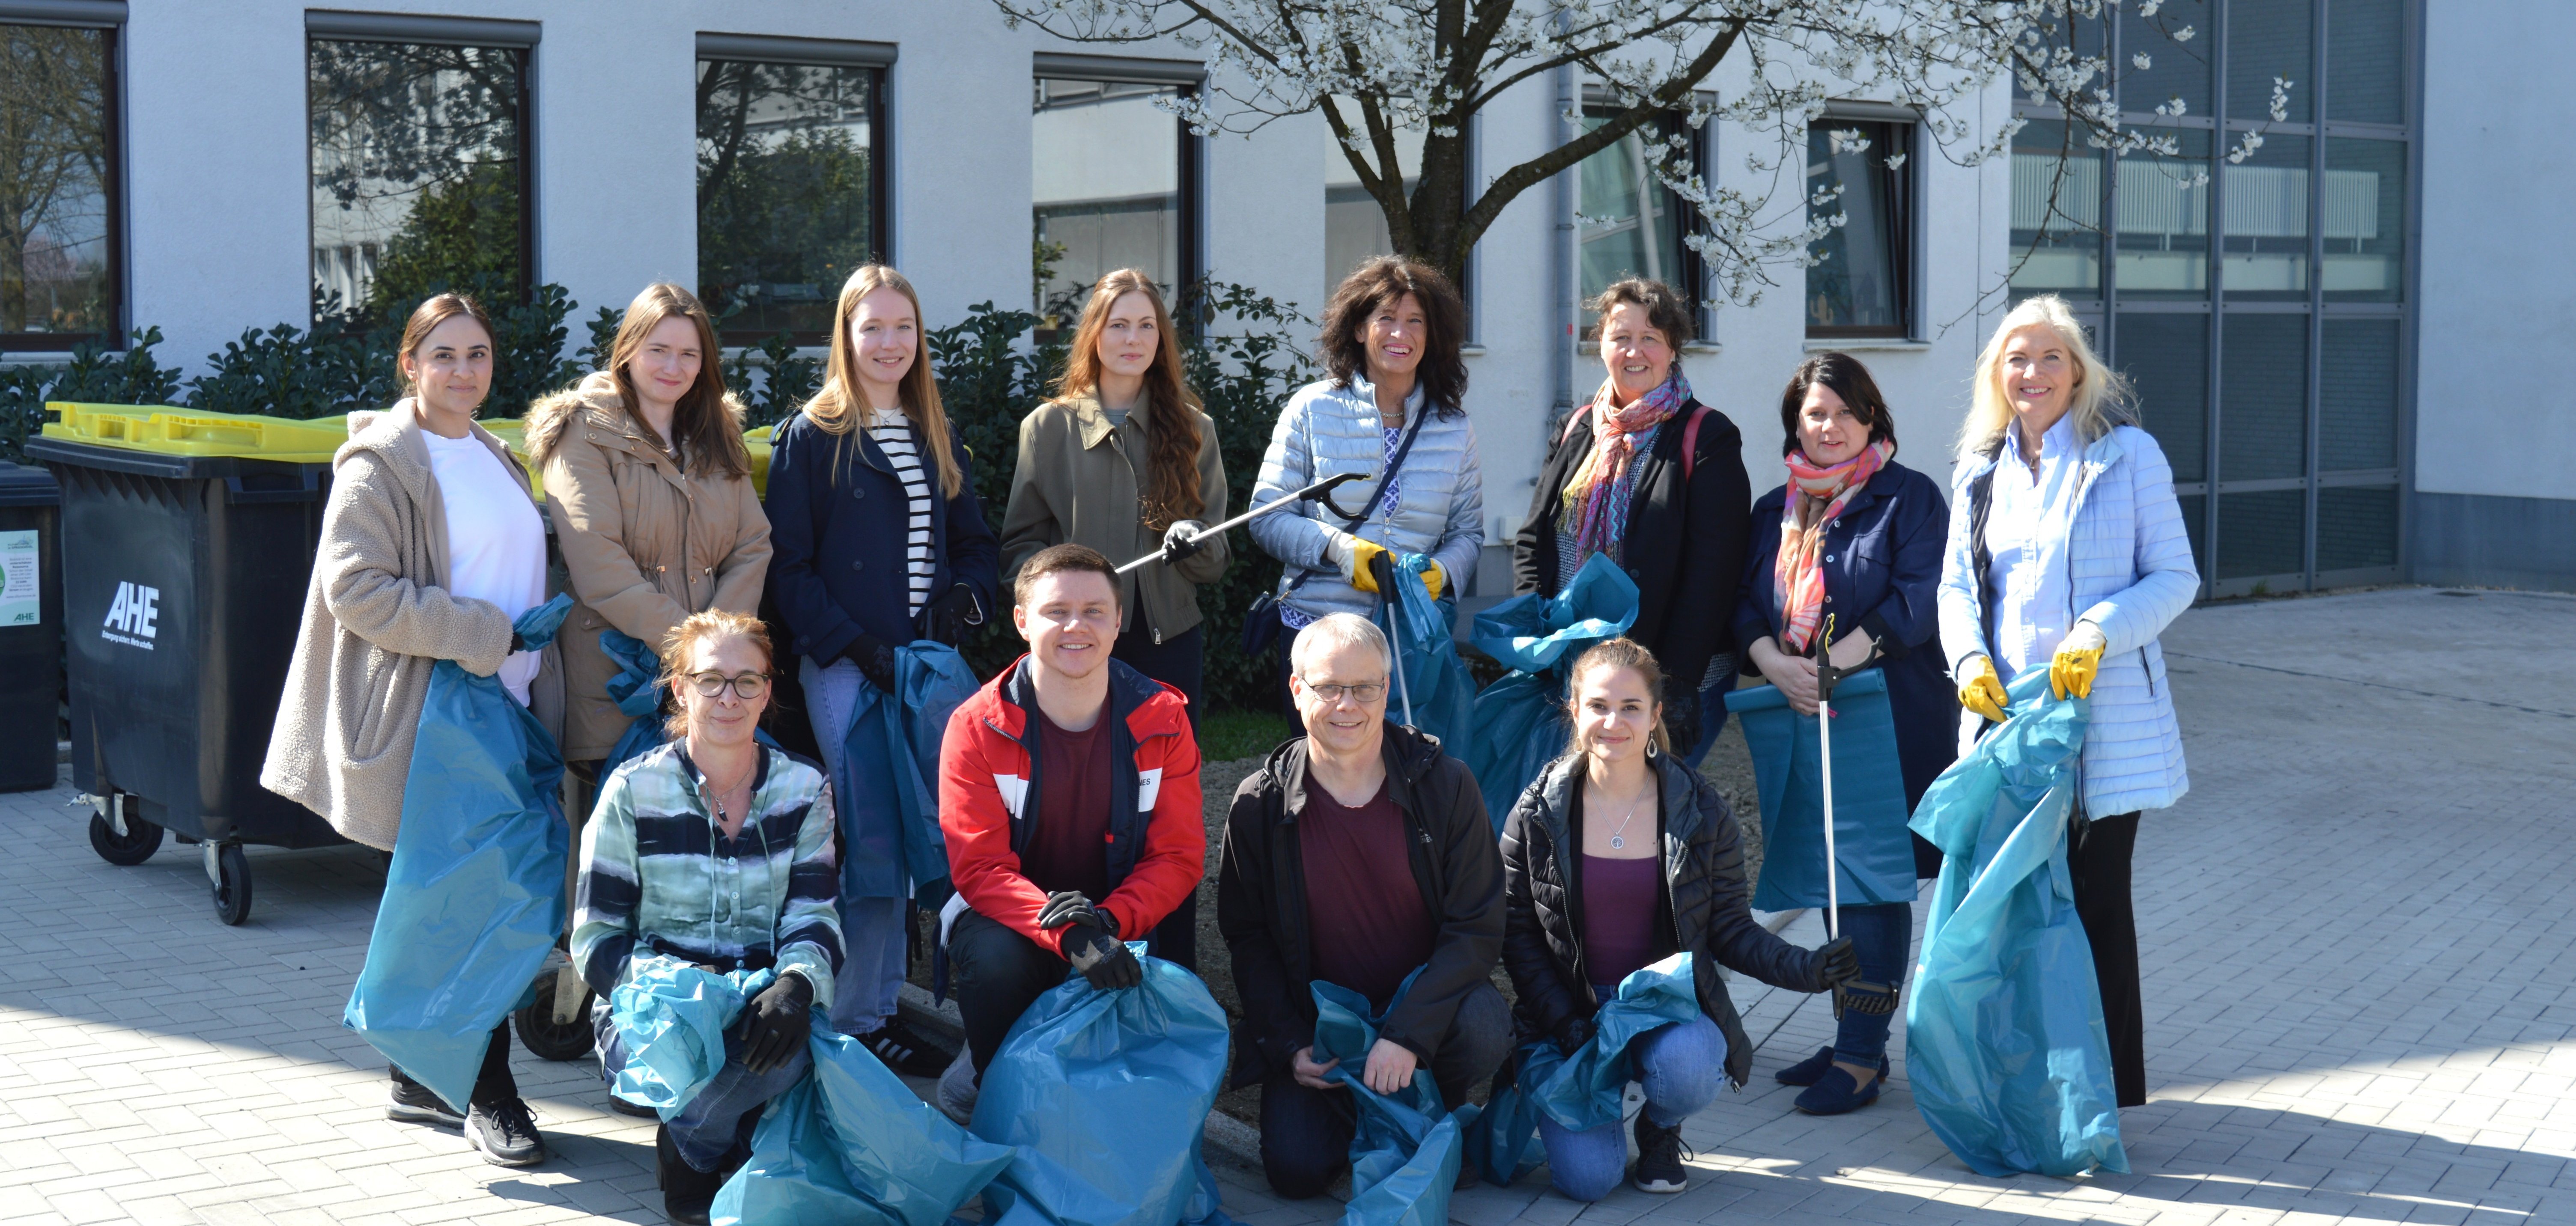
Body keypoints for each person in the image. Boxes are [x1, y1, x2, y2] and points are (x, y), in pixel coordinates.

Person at [263, 293, 555, 1166]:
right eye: (444, 355)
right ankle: (485, 1089)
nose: (464, 370)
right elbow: (355, 589)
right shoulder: (383, 461)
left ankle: (416, 1074)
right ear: (408, 364)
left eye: (477, 353)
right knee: (483, 903)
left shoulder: (493, 452)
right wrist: (477, 635)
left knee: (471, 898)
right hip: (438, 715)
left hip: (501, 708)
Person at [1938, 293, 2197, 1110]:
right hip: (2010, 726)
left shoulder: (2128, 456)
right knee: (2014, 909)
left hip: (2104, 725)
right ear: (1996, 375)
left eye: (2051, 357)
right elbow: (1953, 588)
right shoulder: (1980, 471)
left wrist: (2099, 628)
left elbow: (2176, 577)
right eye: (2017, 358)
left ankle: (2106, 1092)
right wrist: (1967, 658)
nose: (2034, 372)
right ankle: (2025, 1081)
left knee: (2092, 906)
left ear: (2078, 371)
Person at [1499, 638, 1861, 1200]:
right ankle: (1591, 1090)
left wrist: (1809, 970)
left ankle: (1661, 1126)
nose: (1613, 722)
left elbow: (1732, 931)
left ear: (1656, 716)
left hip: (1662, 1007)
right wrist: (1564, 1022)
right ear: (1574, 711)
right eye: (1598, 706)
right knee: (1588, 1182)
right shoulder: (1537, 810)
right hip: (1567, 1014)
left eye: (1631, 708)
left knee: (1688, 1069)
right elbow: (1517, 935)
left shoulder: (1701, 809)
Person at [767, 264, 999, 1076]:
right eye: (873, 327)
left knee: (935, 835)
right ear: (846, 335)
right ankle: (857, 1018)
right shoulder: (812, 433)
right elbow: (788, 569)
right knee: (867, 838)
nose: (889, 342)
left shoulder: (937, 426)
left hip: (925, 668)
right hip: (845, 668)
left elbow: (975, 546)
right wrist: (856, 646)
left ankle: (902, 1001)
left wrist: (961, 603)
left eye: (903, 327)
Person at [1219, 613, 1511, 1200]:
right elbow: (1247, 937)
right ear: (1297, 689)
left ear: (1386, 691)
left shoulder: (1445, 786)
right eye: (1328, 687)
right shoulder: (1261, 803)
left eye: (1364, 688)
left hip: (1421, 1013)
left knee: (1484, 1025)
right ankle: (1365, 1110)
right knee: (1295, 1173)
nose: (1346, 704)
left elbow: (1476, 925)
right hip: (1321, 1026)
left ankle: (1433, 1099)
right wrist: (1287, 1043)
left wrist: (1409, 1035)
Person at [1731, 351, 1954, 1115]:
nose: (1829, 427)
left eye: (1845, 412)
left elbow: (1918, 600)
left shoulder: (1908, 497)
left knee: (1870, 877)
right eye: (1814, 413)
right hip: (1799, 705)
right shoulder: (1774, 509)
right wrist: (1771, 660)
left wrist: (1830, 664)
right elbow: (1746, 607)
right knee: (1828, 872)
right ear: (1795, 421)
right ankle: (1849, 1031)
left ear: (1871, 418)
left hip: (1883, 711)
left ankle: (1860, 1054)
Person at [572, 611, 839, 1226]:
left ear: (769, 691)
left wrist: (797, 986)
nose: (729, 697)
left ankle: (689, 1139)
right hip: (653, 1006)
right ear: (680, 688)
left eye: (748, 681)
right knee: (775, 1075)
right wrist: (680, 993)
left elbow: (814, 913)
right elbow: (596, 938)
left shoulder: (805, 788)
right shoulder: (631, 790)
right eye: (711, 679)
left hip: (762, 1006)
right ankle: (706, 1147)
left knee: (792, 1051)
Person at [999, 269, 1229, 970]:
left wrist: (1193, 542)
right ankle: (1070, 954)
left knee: (1165, 817)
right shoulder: (1049, 427)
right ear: (1093, 335)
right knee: (1078, 810)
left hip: (1165, 645)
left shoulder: (1194, 429)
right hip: (1076, 649)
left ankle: (1172, 970)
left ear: (1161, 340)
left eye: (1146, 326)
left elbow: (1217, 557)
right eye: (1118, 324)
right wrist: (1062, 594)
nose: (1132, 339)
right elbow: (1019, 548)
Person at [936, 545, 1204, 1088]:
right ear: (1021, 621)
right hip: (1009, 918)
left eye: (1094, 610)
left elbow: (1177, 857)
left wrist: (1106, 922)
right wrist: (1071, 935)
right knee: (996, 962)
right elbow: (980, 868)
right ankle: (991, 1081)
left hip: (1116, 917)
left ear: (1119, 620)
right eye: (1056, 611)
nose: (1076, 625)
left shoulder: (1164, 719)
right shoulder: (976, 725)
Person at [528, 282, 770, 820]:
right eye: (658, 349)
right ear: (628, 349)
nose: (673, 366)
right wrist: (700, 653)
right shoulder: (582, 433)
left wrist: (720, 649)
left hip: (711, 687)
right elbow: (600, 567)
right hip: (620, 687)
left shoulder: (716, 435)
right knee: (620, 868)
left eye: (689, 354)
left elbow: (753, 545)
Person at [1513, 278, 1750, 765]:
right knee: (1581, 813)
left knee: (1649, 814)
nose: (1634, 351)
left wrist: (1678, 680)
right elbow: (1533, 536)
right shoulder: (1579, 425)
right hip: (1580, 670)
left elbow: (1715, 570)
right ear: (1600, 343)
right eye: (1621, 336)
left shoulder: (1707, 435)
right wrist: (1532, 638)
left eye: (1651, 338)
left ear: (1673, 349)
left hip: (1668, 673)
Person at [1248, 257, 1482, 698]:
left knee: (1404, 764)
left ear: (1432, 336)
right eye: (1386, 318)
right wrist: (1338, 547)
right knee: (1321, 763)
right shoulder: (1311, 408)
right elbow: (1266, 517)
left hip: (1412, 636)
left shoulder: (1454, 427)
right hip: (1317, 629)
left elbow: (1468, 533)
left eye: (1416, 321)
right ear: (1359, 329)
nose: (1401, 333)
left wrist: (1442, 571)